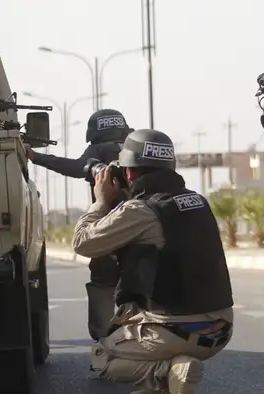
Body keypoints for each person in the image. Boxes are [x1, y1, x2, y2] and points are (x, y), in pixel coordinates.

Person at [71, 128, 234, 394]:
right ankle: (160, 386)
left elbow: (83, 243)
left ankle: (166, 371)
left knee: (102, 358)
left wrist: (101, 201)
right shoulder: (197, 200)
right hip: (219, 330)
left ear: (130, 173)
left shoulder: (140, 210)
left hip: (176, 331)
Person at [26, 108, 133, 341]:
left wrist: (36, 157)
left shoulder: (96, 151)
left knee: (103, 283)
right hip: (147, 225)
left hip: (110, 227)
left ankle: (104, 344)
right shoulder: (139, 147)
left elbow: (76, 167)